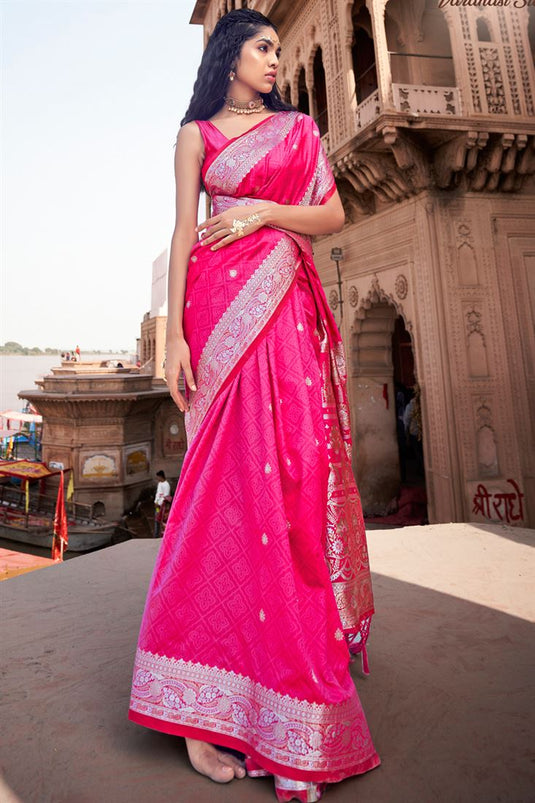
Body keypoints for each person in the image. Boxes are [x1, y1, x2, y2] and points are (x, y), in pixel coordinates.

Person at [129, 9, 379, 802]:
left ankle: (286, 689)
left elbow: (333, 216)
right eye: (263, 47)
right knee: (218, 492)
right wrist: (171, 339)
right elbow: (181, 231)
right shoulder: (195, 135)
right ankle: (199, 715)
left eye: (278, 47)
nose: (274, 59)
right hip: (217, 315)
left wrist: (267, 212)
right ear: (229, 54)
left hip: (285, 313)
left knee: (294, 487)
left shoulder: (299, 132)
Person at [153, 470, 171, 538]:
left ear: (161, 476)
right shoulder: (159, 484)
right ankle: (156, 535)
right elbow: (158, 494)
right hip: (157, 505)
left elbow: (166, 496)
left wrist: (160, 503)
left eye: (158, 477)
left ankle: (162, 535)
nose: (157, 479)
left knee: (162, 520)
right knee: (157, 519)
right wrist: (156, 502)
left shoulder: (166, 485)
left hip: (162, 506)